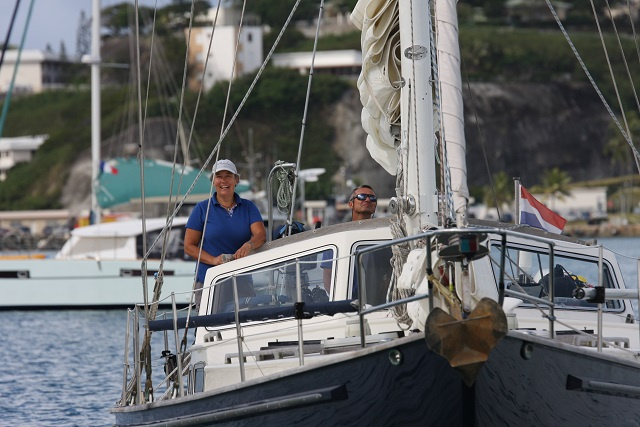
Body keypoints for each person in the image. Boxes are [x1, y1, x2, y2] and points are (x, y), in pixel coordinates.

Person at [184, 159, 266, 312]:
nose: (224, 181)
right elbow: (189, 246)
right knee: (209, 327)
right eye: (219, 176)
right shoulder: (202, 209)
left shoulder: (249, 207)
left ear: (236, 180)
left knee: (245, 325)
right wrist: (214, 260)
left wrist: (249, 245)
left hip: (242, 278)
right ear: (213, 181)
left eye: (228, 176)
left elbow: (260, 235)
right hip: (210, 279)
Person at [322, 185, 378, 292]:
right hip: (348, 304)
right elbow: (328, 277)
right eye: (362, 196)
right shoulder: (337, 237)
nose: (367, 199)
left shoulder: (384, 236)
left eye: (372, 198)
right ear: (350, 204)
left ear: (375, 206)